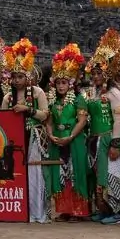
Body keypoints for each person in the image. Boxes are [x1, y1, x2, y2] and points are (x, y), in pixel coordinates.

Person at [84, 29, 120, 225]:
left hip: (111, 139)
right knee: (100, 176)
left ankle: (117, 212)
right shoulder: (94, 94)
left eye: (99, 73)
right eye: (94, 73)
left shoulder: (114, 93)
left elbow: (119, 118)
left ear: (106, 74)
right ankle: (104, 210)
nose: (95, 77)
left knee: (113, 174)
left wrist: (115, 143)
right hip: (96, 140)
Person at [1, 37, 50, 224]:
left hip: (34, 138)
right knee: (15, 173)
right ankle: (17, 209)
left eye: (20, 76)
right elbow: (3, 119)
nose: (16, 80)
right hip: (14, 140)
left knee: (35, 174)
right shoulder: (7, 96)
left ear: (28, 76)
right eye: (13, 77)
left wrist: (28, 110)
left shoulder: (37, 92)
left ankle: (37, 212)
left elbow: (45, 115)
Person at [45, 44, 90, 222]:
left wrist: (71, 136)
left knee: (74, 172)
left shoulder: (79, 99)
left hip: (75, 141)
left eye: (64, 82)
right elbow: (49, 121)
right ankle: (64, 210)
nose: (61, 86)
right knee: (61, 174)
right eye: (58, 83)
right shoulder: (53, 101)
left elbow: (82, 120)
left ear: (70, 84)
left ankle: (78, 211)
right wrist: (50, 135)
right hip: (57, 140)